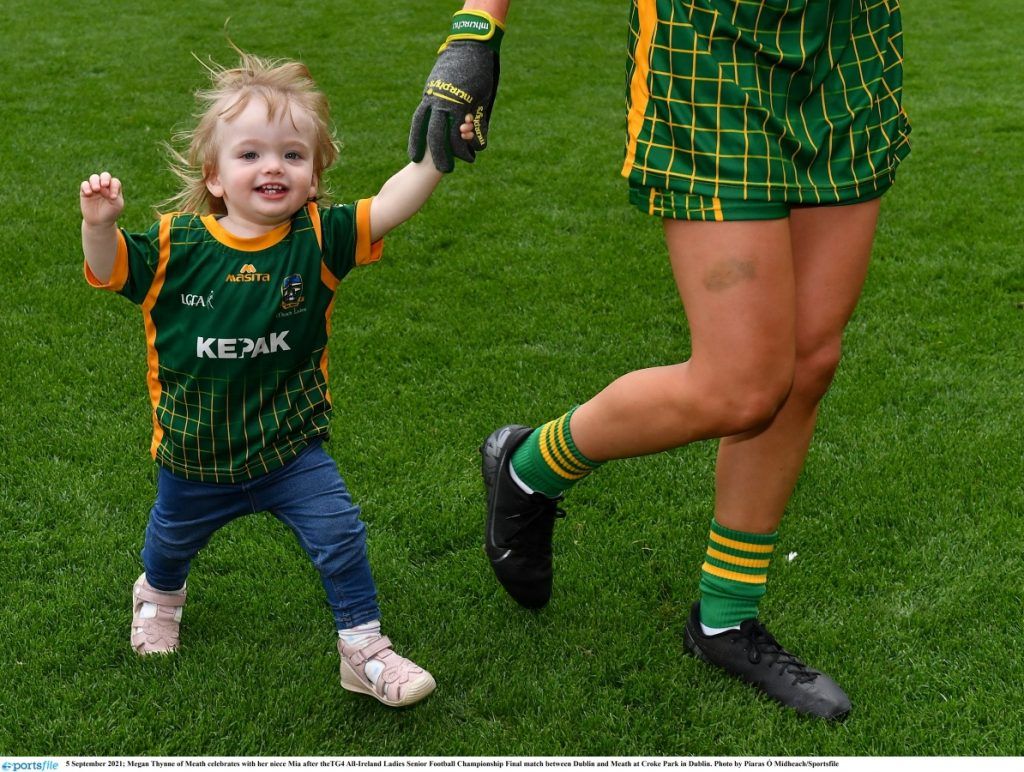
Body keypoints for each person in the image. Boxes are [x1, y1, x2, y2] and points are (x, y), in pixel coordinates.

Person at [409, 1, 910, 720]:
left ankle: (724, 621)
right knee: (741, 386)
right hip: (710, 47)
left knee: (808, 360)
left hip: (851, 39)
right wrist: (475, 30)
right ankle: (531, 465)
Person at [80, 50, 477, 708]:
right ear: (214, 175)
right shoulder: (175, 248)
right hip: (195, 453)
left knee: (340, 533)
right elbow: (110, 266)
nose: (273, 167)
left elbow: (391, 207)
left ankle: (364, 649)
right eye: (251, 155)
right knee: (171, 540)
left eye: (293, 155)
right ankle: (158, 594)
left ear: (315, 176)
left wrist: (436, 154)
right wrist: (99, 225)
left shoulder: (318, 238)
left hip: (290, 447)